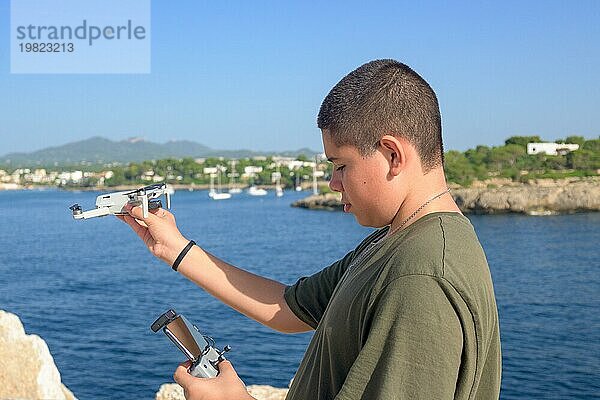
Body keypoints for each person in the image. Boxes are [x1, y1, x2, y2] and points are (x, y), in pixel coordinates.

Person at [120, 59, 501, 400]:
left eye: (341, 165)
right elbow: (287, 308)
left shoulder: (422, 276)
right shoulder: (395, 240)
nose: (333, 184)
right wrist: (174, 248)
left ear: (392, 155)